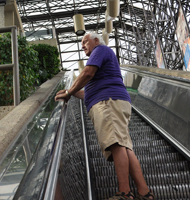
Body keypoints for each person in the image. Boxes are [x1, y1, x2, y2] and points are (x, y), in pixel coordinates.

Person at [55, 32, 155, 200]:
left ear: (96, 40)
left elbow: (87, 74)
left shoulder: (100, 50)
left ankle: (124, 193)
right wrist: (70, 92)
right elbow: (87, 93)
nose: (83, 45)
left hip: (107, 102)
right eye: (82, 44)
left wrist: (69, 92)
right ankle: (144, 193)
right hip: (111, 100)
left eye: (85, 41)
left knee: (116, 144)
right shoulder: (102, 58)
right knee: (124, 146)